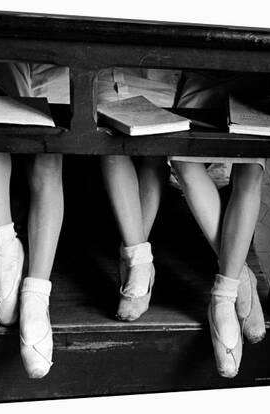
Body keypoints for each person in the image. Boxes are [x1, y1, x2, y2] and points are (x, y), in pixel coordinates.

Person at [170, 71, 270, 377]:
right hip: (201, 73)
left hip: (261, 76)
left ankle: (222, 299)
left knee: (250, 167)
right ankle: (239, 275)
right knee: (184, 160)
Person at [0, 61, 69, 379]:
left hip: (59, 58)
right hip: (1, 50)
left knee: (48, 156)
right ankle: (4, 249)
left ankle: (37, 294)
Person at [98, 67, 180, 321]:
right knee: (108, 141)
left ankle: (137, 261)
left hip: (156, 77)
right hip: (104, 74)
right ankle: (139, 260)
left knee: (155, 143)